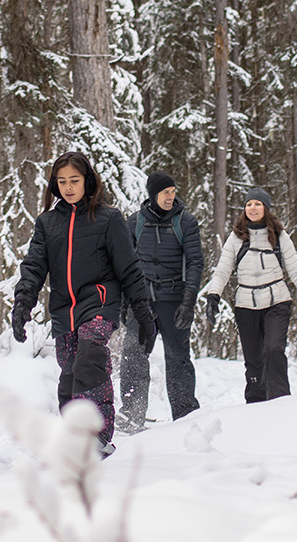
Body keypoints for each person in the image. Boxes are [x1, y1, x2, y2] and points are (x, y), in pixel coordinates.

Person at [11, 151, 157, 457]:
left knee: (90, 357)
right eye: (61, 181)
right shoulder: (47, 223)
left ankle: (99, 435)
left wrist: (143, 310)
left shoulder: (107, 219)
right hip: (65, 311)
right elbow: (35, 266)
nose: (68, 187)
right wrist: (23, 303)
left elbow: (128, 267)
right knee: (70, 377)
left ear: (87, 181)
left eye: (74, 180)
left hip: (100, 302)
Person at [200, 187, 297, 403]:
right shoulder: (236, 238)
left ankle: (281, 401)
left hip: (277, 301)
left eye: (257, 204)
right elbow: (222, 270)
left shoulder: (279, 236)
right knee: (254, 360)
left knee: (274, 349)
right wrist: (213, 297)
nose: (252, 207)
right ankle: (256, 405)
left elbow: (296, 271)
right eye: (249, 204)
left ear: (266, 208)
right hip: (245, 304)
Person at [116, 171, 203, 432]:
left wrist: (188, 302)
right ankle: (132, 413)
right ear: (153, 194)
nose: (171, 196)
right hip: (141, 302)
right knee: (133, 354)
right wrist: (123, 301)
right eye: (166, 192)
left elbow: (196, 262)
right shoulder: (134, 223)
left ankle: (185, 416)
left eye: (173, 191)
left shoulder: (186, 222)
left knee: (177, 358)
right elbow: (125, 264)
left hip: (174, 300)